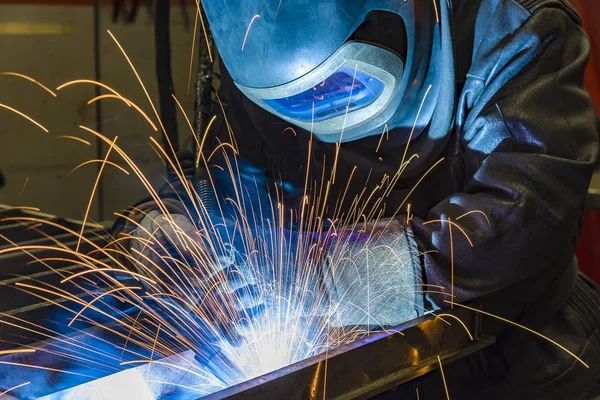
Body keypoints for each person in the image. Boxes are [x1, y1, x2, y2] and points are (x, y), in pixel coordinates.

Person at [116, 0, 600, 398]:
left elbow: (527, 218)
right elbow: (224, 176)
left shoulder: (515, 28)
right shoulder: (252, 42)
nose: (322, 111)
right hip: (346, 360)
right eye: (288, 101)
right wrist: (164, 226)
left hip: (518, 355)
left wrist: (331, 279)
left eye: (338, 85)